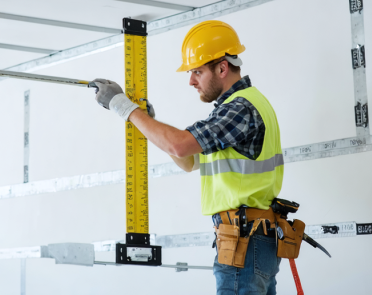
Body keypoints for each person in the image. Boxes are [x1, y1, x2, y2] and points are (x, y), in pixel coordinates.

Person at [91, 20, 284, 295]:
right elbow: (188, 160)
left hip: (244, 240)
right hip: (250, 238)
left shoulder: (241, 108)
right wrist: (149, 123)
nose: (191, 80)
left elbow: (179, 146)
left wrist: (123, 107)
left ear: (222, 67)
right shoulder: (237, 106)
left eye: (197, 71)